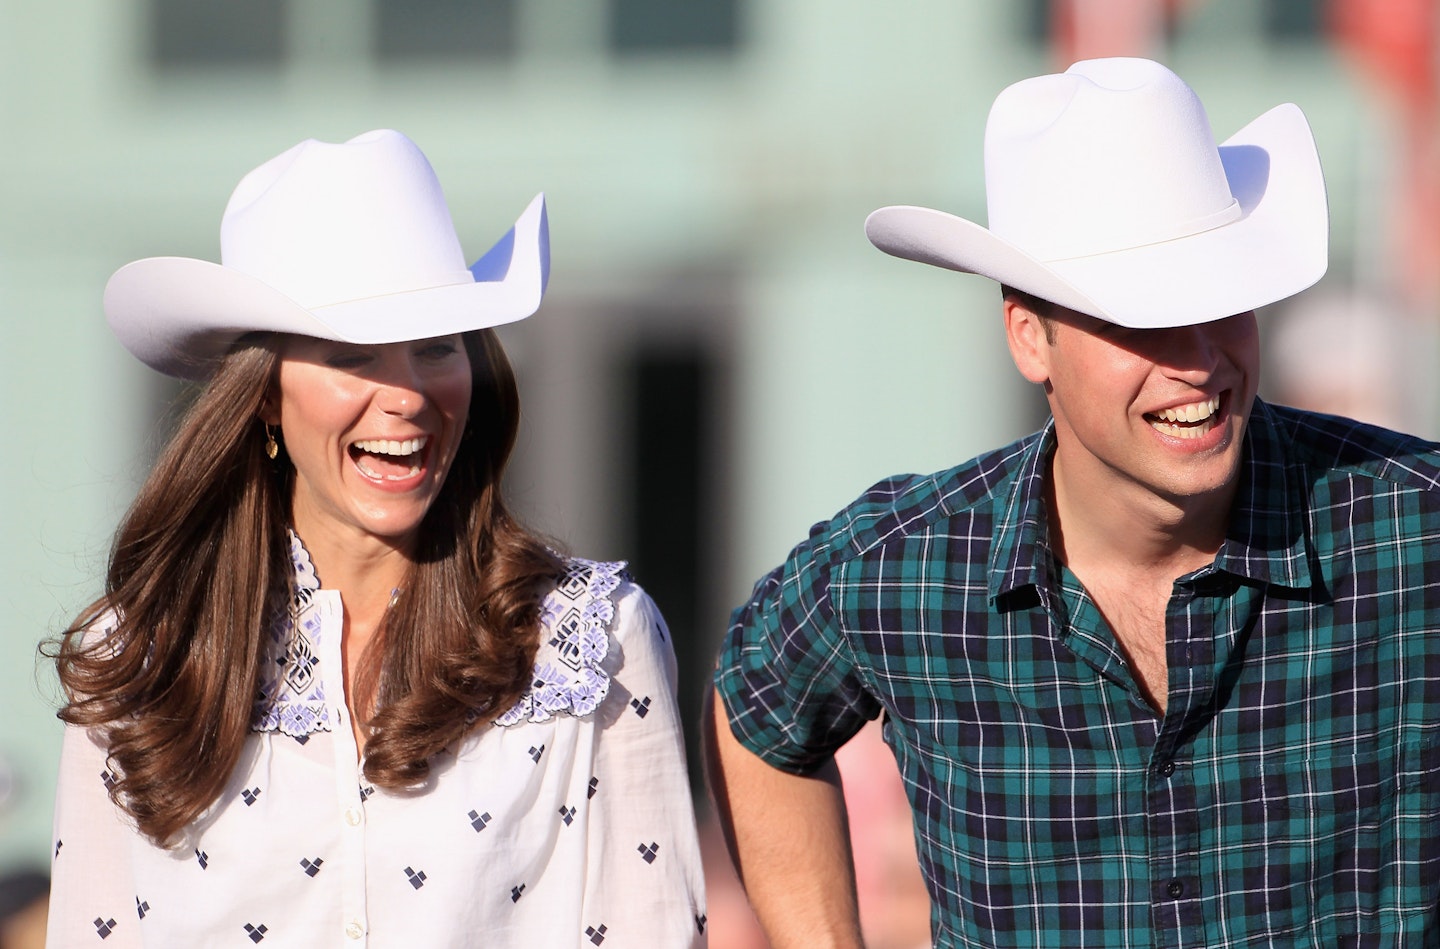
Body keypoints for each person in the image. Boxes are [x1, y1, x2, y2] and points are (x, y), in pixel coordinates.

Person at [706, 57, 1440, 947]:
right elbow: (756, 713)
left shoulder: (1411, 528)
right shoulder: (902, 567)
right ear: (1030, 336)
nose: (1200, 359)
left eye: (1224, 301)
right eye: (1143, 318)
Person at [46, 129, 707, 947]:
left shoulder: (593, 639)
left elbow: (654, 930)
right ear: (263, 397)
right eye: (353, 355)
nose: (406, 397)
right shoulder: (138, 659)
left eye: (437, 347)